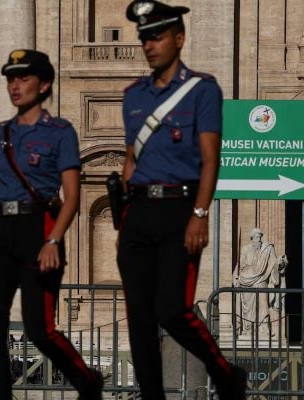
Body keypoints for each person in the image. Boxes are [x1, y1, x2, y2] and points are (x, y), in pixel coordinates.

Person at [0, 49, 103, 400]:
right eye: (11, 78)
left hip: (40, 227)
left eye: (23, 78)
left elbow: (72, 196)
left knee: (39, 328)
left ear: (44, 85)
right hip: (1, 229)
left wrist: (54, 240)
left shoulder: (60, 132)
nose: (15, 85)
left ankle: (87, 380)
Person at [117, 2, 246, 399]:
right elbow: (130, 158)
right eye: (144, 38)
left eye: (156, 35)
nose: (149, 44)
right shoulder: (133, 95)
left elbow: (210, 159)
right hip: (138, 211)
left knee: (172, 309)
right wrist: (123, 215)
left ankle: (224, 372)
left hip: (180, 210)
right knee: (138, 319)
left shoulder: (202, 89)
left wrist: (200, 214)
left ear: (178, 38)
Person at [233, 228, 288, 336]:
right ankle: (248, 330)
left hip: (261, 280)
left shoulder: (267, 248)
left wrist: (280, 263)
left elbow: (274, 263)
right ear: (252, 238)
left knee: (263, 303)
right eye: (257, 237)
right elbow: (240, 265)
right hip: (246, 280)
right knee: (247, 308)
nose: (259, 239)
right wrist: (235, 278)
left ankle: (264, 329)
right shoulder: (245, 249)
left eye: (260, 237)